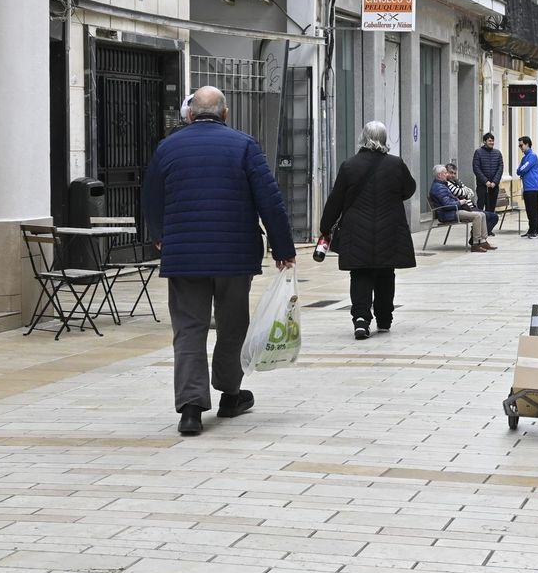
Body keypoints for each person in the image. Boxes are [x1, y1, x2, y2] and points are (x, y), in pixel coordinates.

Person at [143, 86, 295, 437]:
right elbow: (269, 200)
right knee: (232, 324)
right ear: (225, 114)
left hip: (184, 256)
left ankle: (191, 409)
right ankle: (230, 394)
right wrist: (283, 248)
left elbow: (151, 197)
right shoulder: (244, 145)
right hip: (234, 255)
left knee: (189, 329)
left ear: (191, 115)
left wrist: (161, 235)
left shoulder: (168, 148)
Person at [319, 122, 416, 340]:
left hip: (356, 229)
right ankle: (384, 319)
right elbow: (409, 188)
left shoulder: (349, 166)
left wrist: (325, 227)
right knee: (385, 274)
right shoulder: (395, 164)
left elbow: (336, 200)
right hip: (389, 228)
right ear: (384, 138)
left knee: (360, 273)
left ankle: (361, 320)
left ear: (363, 137)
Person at [430, 165, 496, 251]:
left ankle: (482, 241)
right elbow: (447, 204)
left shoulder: (442, 185)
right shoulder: (438, 187)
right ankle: (475, 244)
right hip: (448, 213)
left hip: (453, 210)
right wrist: (460, 202)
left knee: (482, 214)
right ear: (439, 175)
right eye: (445, 173)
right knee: (478, 216)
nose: (447, 175)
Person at [472, 133, 505, 224]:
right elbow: (476, 168)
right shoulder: (478, 152)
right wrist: (485, 181)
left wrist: (495, 182)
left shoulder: (497, 153)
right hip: (482, 185)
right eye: (490, 140)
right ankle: (478, 227)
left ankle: (489, 228)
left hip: (494, 186)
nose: (492, 142)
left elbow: (500, 167)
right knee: (480, 206)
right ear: (484, 141)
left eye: (493, 140)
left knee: (491, 207)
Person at [516, 136, 538, 238]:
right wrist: (520, 170)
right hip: (526, 187)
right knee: (529, 210)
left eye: (521, 145)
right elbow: (518, 170)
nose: (520, 147)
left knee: (533, 210)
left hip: (532, 187)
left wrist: (520, 171)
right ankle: (531, 229)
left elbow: (522, 169)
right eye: (519, 145)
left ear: (527, 144)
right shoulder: (524, 157)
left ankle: (536, 230)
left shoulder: (532, 156)